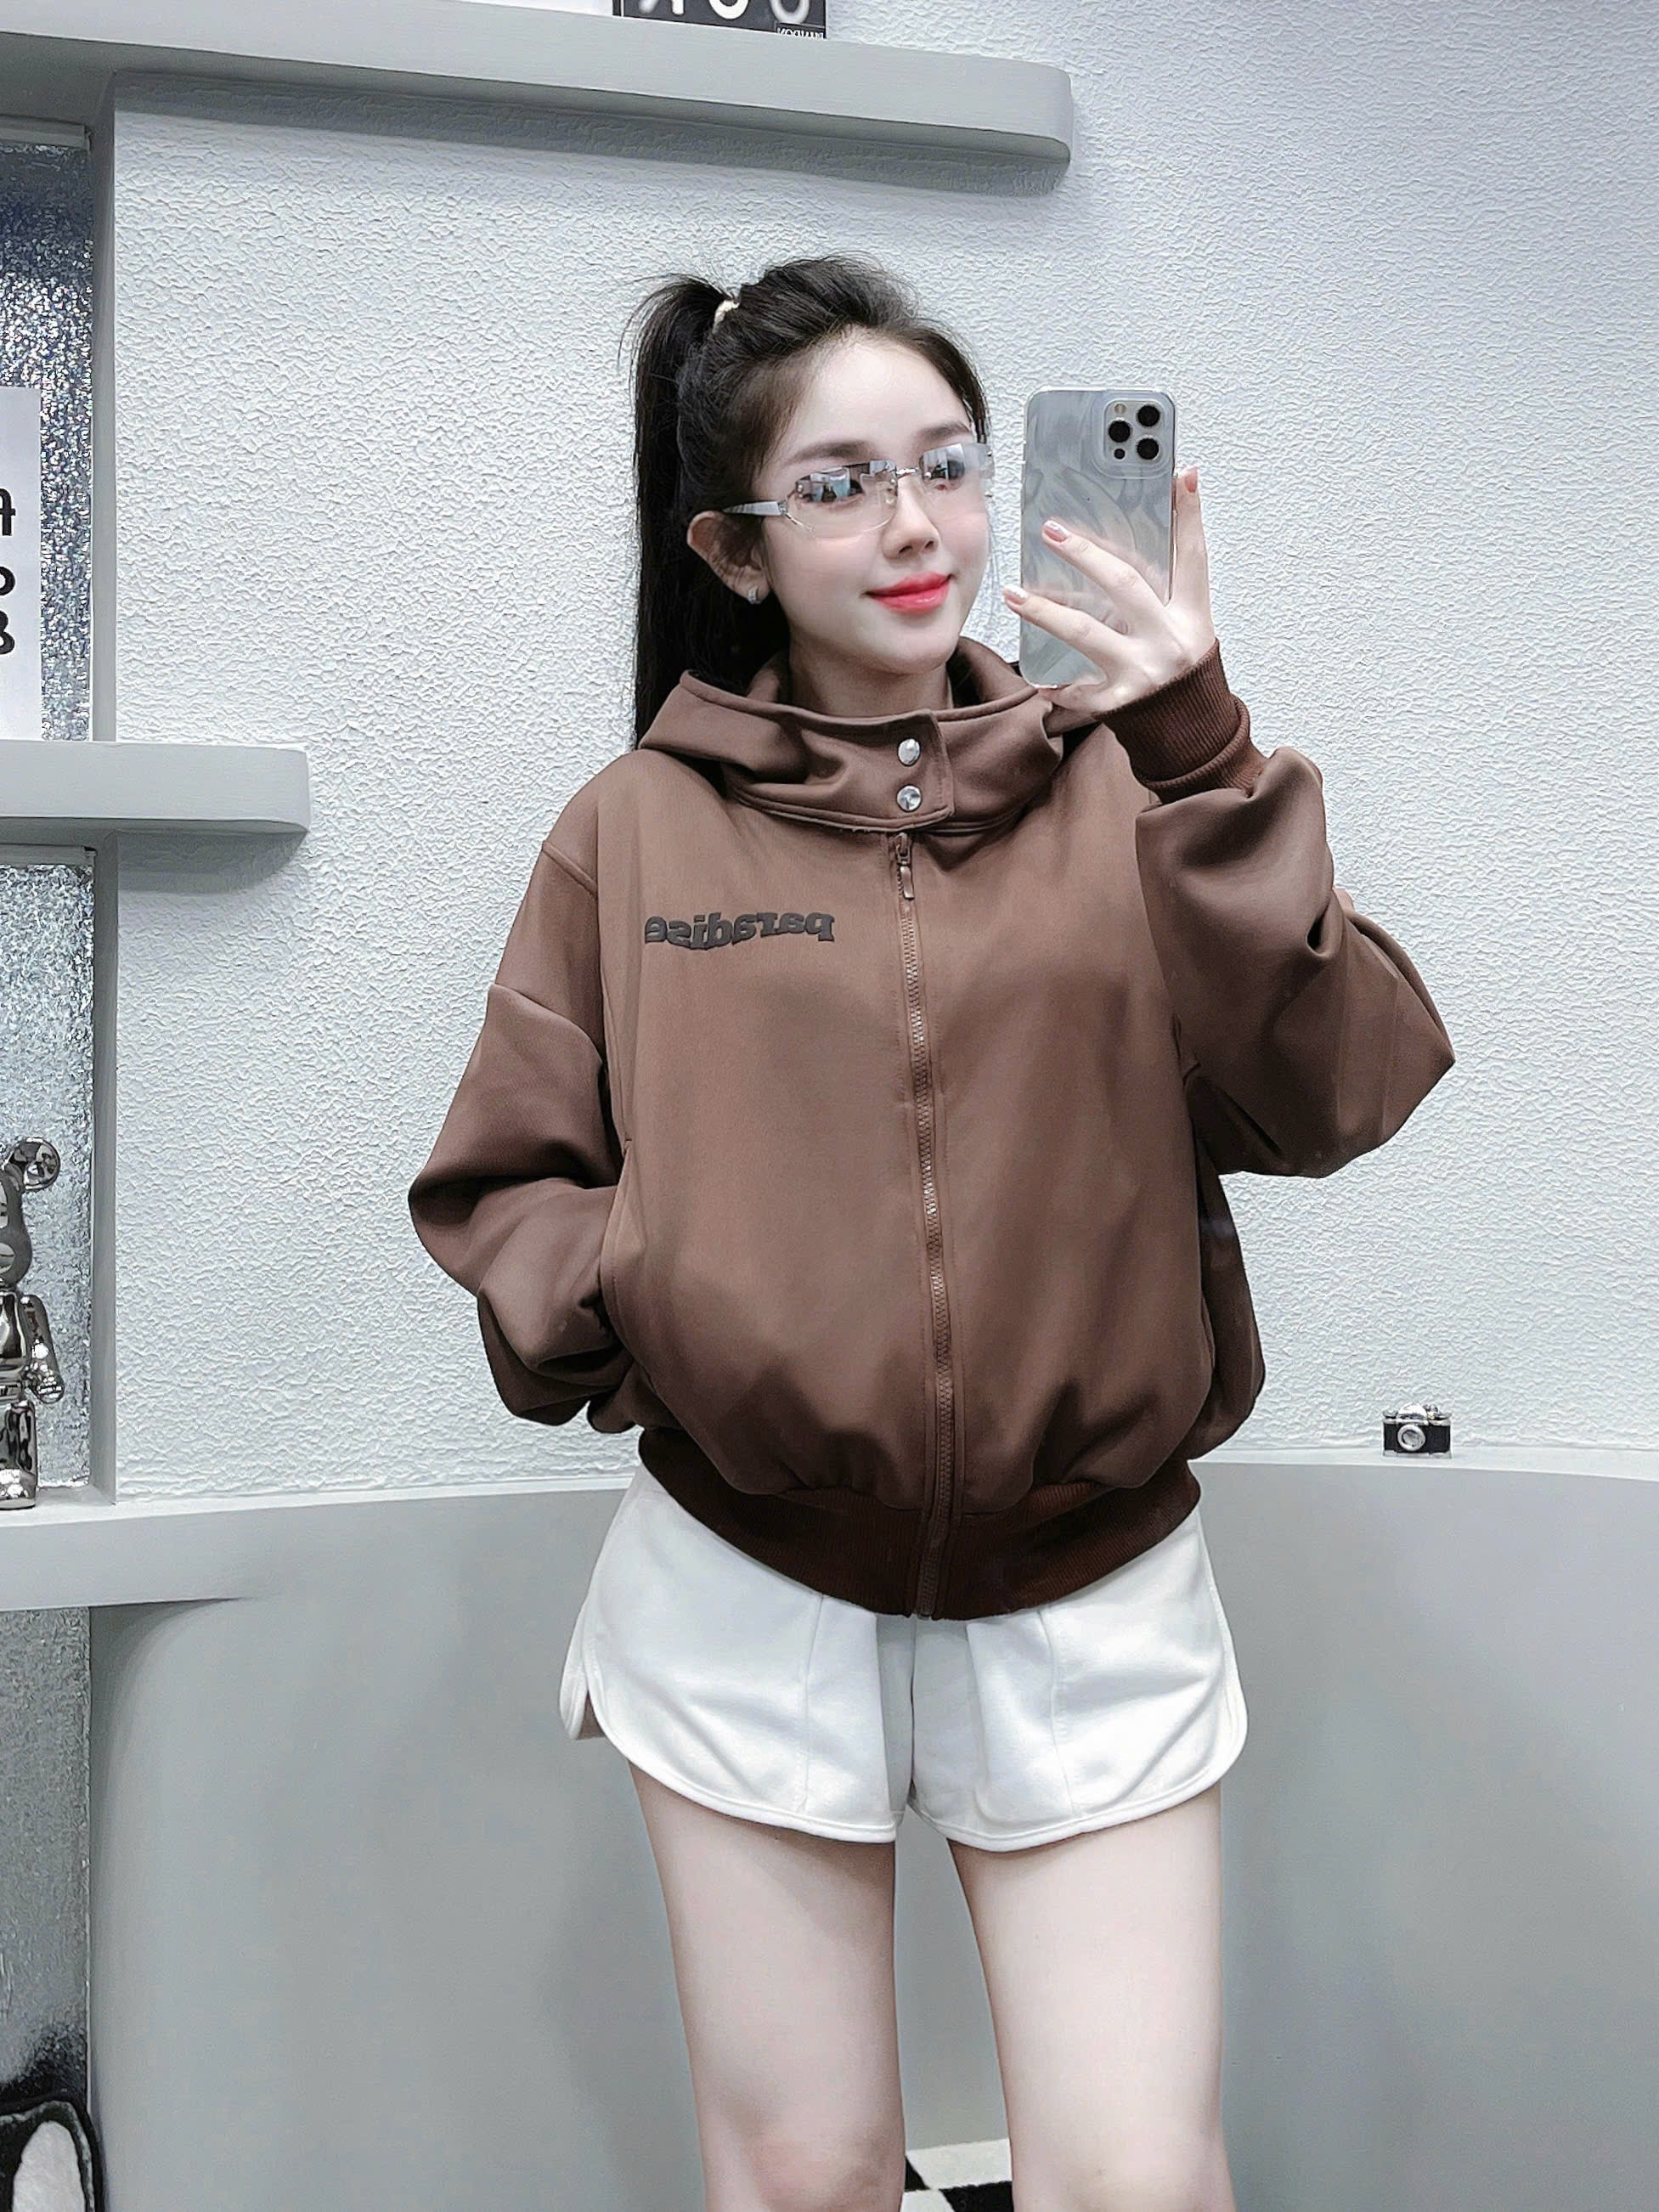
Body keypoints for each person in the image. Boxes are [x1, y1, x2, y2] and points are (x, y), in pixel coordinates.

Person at [407, 252, 1454, 2212]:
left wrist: (1202, 749)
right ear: (731, 547)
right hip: (747, 1587)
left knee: (1134, 2181)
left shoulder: (1135, 788)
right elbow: (506, 1179)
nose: (914, 525)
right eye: (842, 483)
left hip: (1089, 1589)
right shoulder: (630, 830)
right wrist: (664, 1288)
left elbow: (1341, 1087)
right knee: (802, 2180)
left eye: (948, 465)